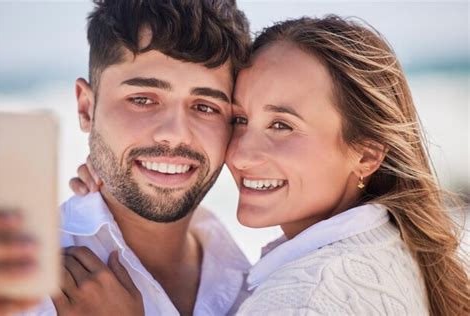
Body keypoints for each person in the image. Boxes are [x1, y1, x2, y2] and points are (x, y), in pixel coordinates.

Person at [71, 15, 470, 315]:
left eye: (282, 125)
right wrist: (140, 190)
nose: (241, 154)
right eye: (241, 120)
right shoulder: (393, 247)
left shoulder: (303, 299)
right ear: (87, 107)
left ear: (366, 154)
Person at [0, 0, 251, 315]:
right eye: (142, 99)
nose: (175, 134)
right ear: (86, 108)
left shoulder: (257, 282)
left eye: (204, 106)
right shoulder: (19, 282)